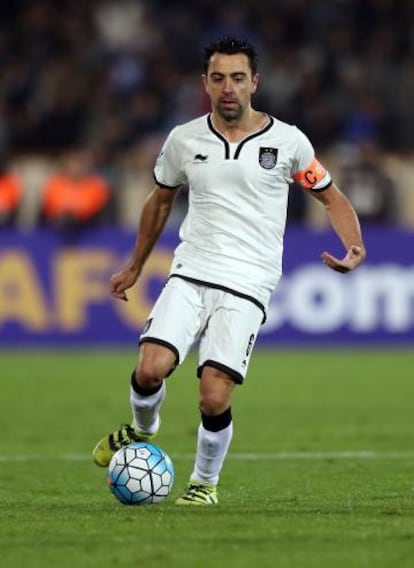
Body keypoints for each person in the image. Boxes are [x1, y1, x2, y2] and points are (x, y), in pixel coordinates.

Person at [92, 36, 366, 505]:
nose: (228, 88)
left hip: (248, 283)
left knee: (213, 397)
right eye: (218, 78)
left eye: (238, 78)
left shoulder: (288, 142)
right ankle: (142, 429)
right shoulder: (184, 139)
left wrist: (354, 245)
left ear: (254, 82)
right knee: (150, 368)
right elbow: (160, 201)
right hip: (192, 269)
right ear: (205, 83)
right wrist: (135, 264)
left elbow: (331, 196)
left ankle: (204, 485)